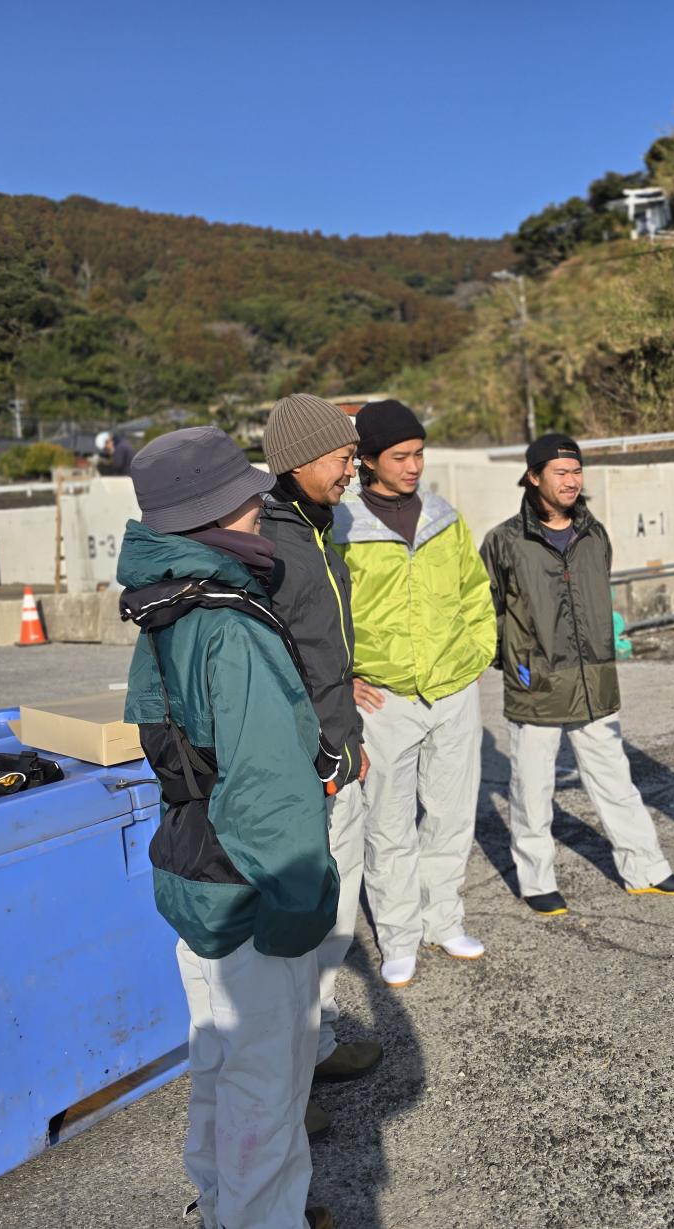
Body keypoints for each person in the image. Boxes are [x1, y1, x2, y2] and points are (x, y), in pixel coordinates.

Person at [117, 426, 339, 1229]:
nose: (257, 506)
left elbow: (160, 738)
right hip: (251, 885)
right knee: (267, 1083)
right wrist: (300, 907)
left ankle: (217, 1203)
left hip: (191, 864)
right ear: (217, 512)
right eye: (244, 497)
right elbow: (272, 790)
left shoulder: (162, 605)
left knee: (216, 1055)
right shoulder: (233, 622)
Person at [480, 432, 674, 916]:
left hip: (594, 679)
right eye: (560, 472)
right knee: (532, 790)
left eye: (576, 471)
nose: (571, 480)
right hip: (537, 682)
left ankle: (645, 869)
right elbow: (486, 610)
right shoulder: (505, 541)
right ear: (534, 477)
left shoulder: (594, 535)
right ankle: (537, 881)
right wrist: (515, 661)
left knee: (615, 780)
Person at [335, 400, 496, 987]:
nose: (413, 466)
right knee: (388, 821)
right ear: (368, 460)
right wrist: (344, 676)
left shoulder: (444, 516)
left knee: (452, 815)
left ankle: (442, 919)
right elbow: (325, 608)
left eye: (419, 453)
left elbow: (475, 590)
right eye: (400, 456)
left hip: (453, 688)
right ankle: (399, 936)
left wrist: (477, 651)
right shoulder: (343, 522)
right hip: (384, 697)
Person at [260, 393, 384, 1085]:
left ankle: (321, 1042)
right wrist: (311, 743)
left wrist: (348, 725)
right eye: (341, 457)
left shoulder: (318, 526)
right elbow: (270, 668)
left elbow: (323, 644)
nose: (351, 468)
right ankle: (284, 1082)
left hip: (339, 746)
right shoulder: (268, 544)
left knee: (335, 911)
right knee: (294, 924)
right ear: (301, 459)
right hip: (299, 765)